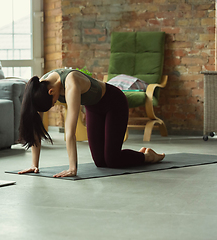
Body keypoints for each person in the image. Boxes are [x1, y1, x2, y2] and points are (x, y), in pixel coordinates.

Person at [18, 68, 165, 178]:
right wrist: (34, 165)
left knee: (112, 159)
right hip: (94, 108)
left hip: (114, 102)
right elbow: (35, 125)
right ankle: (138, 155)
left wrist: (72, 168)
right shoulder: (39, 89)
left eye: (54, 101)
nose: (56, 102)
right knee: (101, 162)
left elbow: (70, 131)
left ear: (51, 92)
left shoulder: (71, 83)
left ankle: (149, 157)